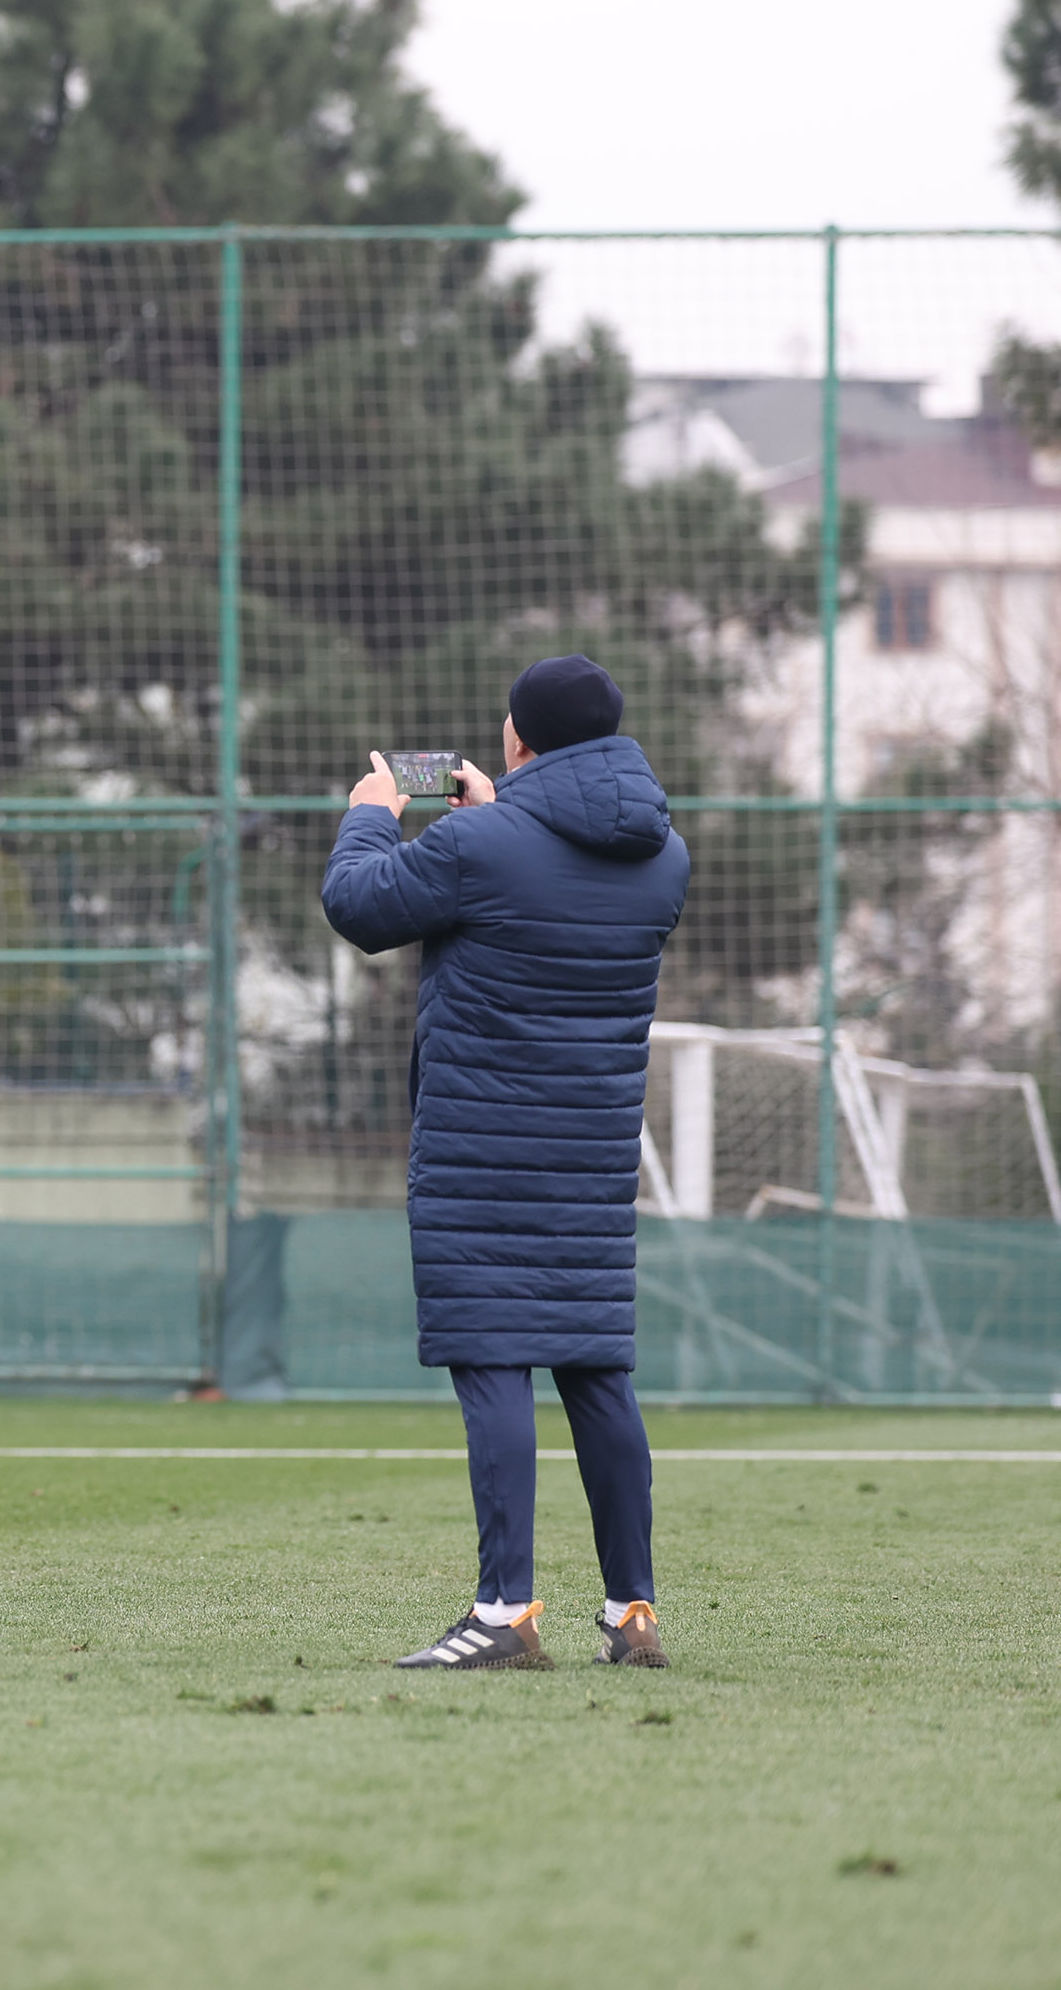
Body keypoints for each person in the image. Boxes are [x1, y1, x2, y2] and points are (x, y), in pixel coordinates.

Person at [321, 653, 690, 1672]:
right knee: (597, 1372)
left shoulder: (481, 841)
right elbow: (552, 876)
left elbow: (357, 905)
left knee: (493, 1364)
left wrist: (374, 809)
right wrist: (504, 810)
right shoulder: (665, 856)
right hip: (592, 1156)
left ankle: (505, 1609)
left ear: (519, 737)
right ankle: (633, 1612)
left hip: (482, 1150)